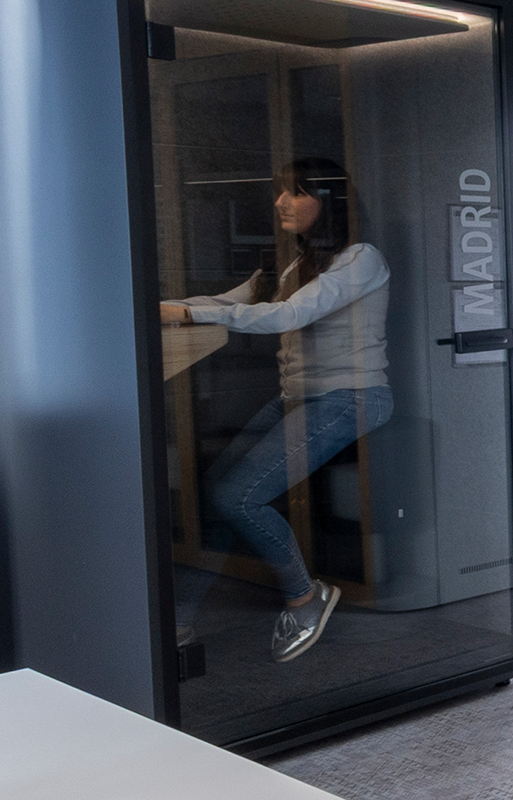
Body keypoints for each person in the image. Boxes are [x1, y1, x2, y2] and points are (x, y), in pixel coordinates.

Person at [163, 157, 392, 663]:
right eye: (280, 191)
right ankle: (176, 621)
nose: (280, 202)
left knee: (238, 497)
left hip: (349, 396)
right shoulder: (293, 263)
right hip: (299, 397)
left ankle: (306, 599)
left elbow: (291, 314)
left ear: (329, 201)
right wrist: (159, 305)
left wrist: (187, 312)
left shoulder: (361, 258)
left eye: (295, 192)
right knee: (215, 495)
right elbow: (227, 301)